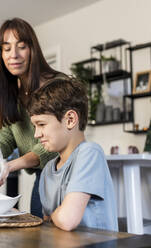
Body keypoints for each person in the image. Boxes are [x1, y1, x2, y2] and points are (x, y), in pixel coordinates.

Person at [0, 17, 67, 217]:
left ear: (33, 49)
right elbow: (6, 134)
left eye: (22, 46)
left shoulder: (58, 85)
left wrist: (11, 165)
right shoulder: (11, 93)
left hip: (66, 174)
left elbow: (52, 144)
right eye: (6, 48)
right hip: (43, 176)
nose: (13, 55)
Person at [27, 78, 118, 231]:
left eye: (41, 124)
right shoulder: (48, 169)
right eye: (34, 126)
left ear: (70, 120)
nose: (36, 134)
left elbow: (67, 220)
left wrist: (56, 216)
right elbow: (49, 224)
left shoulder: (90, 153)